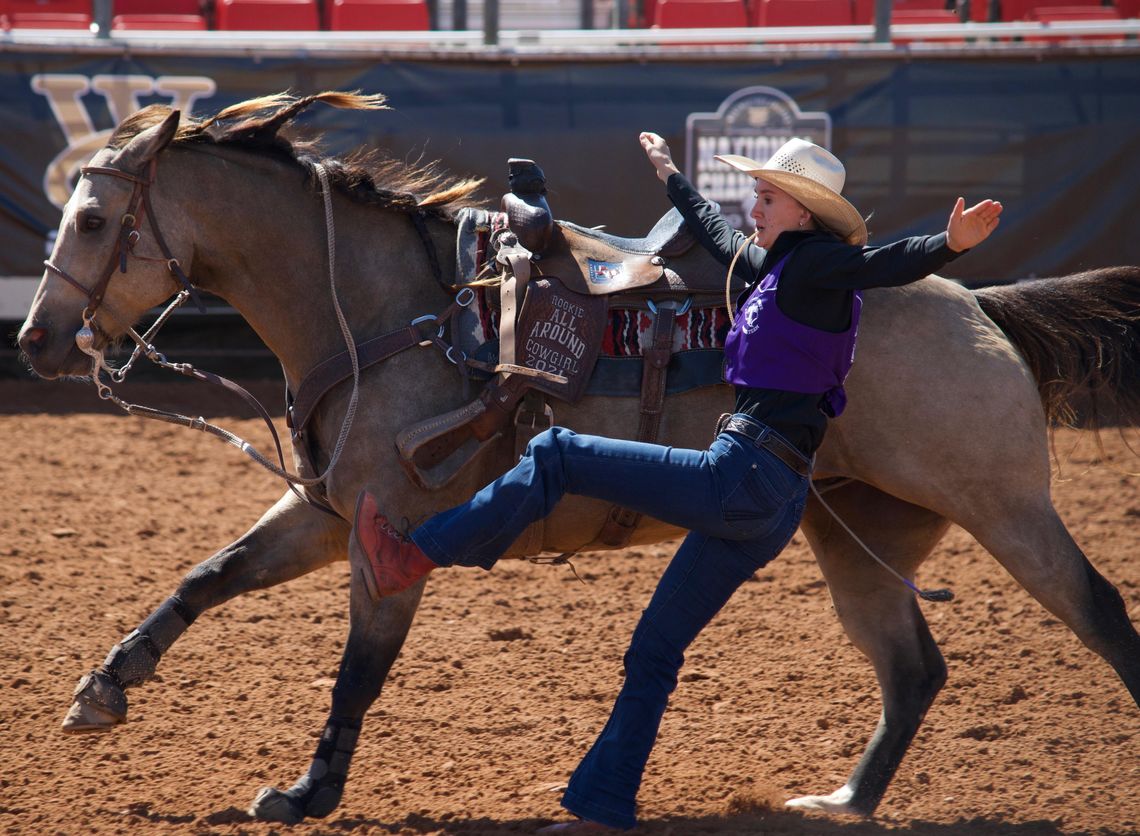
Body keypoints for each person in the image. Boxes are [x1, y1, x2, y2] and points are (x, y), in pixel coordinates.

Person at [349, 134, 1003, 832]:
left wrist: (951, 245)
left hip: (743, 476)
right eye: (757, 194)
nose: (755, 206)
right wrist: (669, 175)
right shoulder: (774, 265)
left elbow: (882, 264)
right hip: (768, 497)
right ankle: (602, 809)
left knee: (558, 454)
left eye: (769, 197)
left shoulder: (817, 265)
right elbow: (719, 235)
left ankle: (412, 555)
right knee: (653, 650)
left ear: (805, 213)